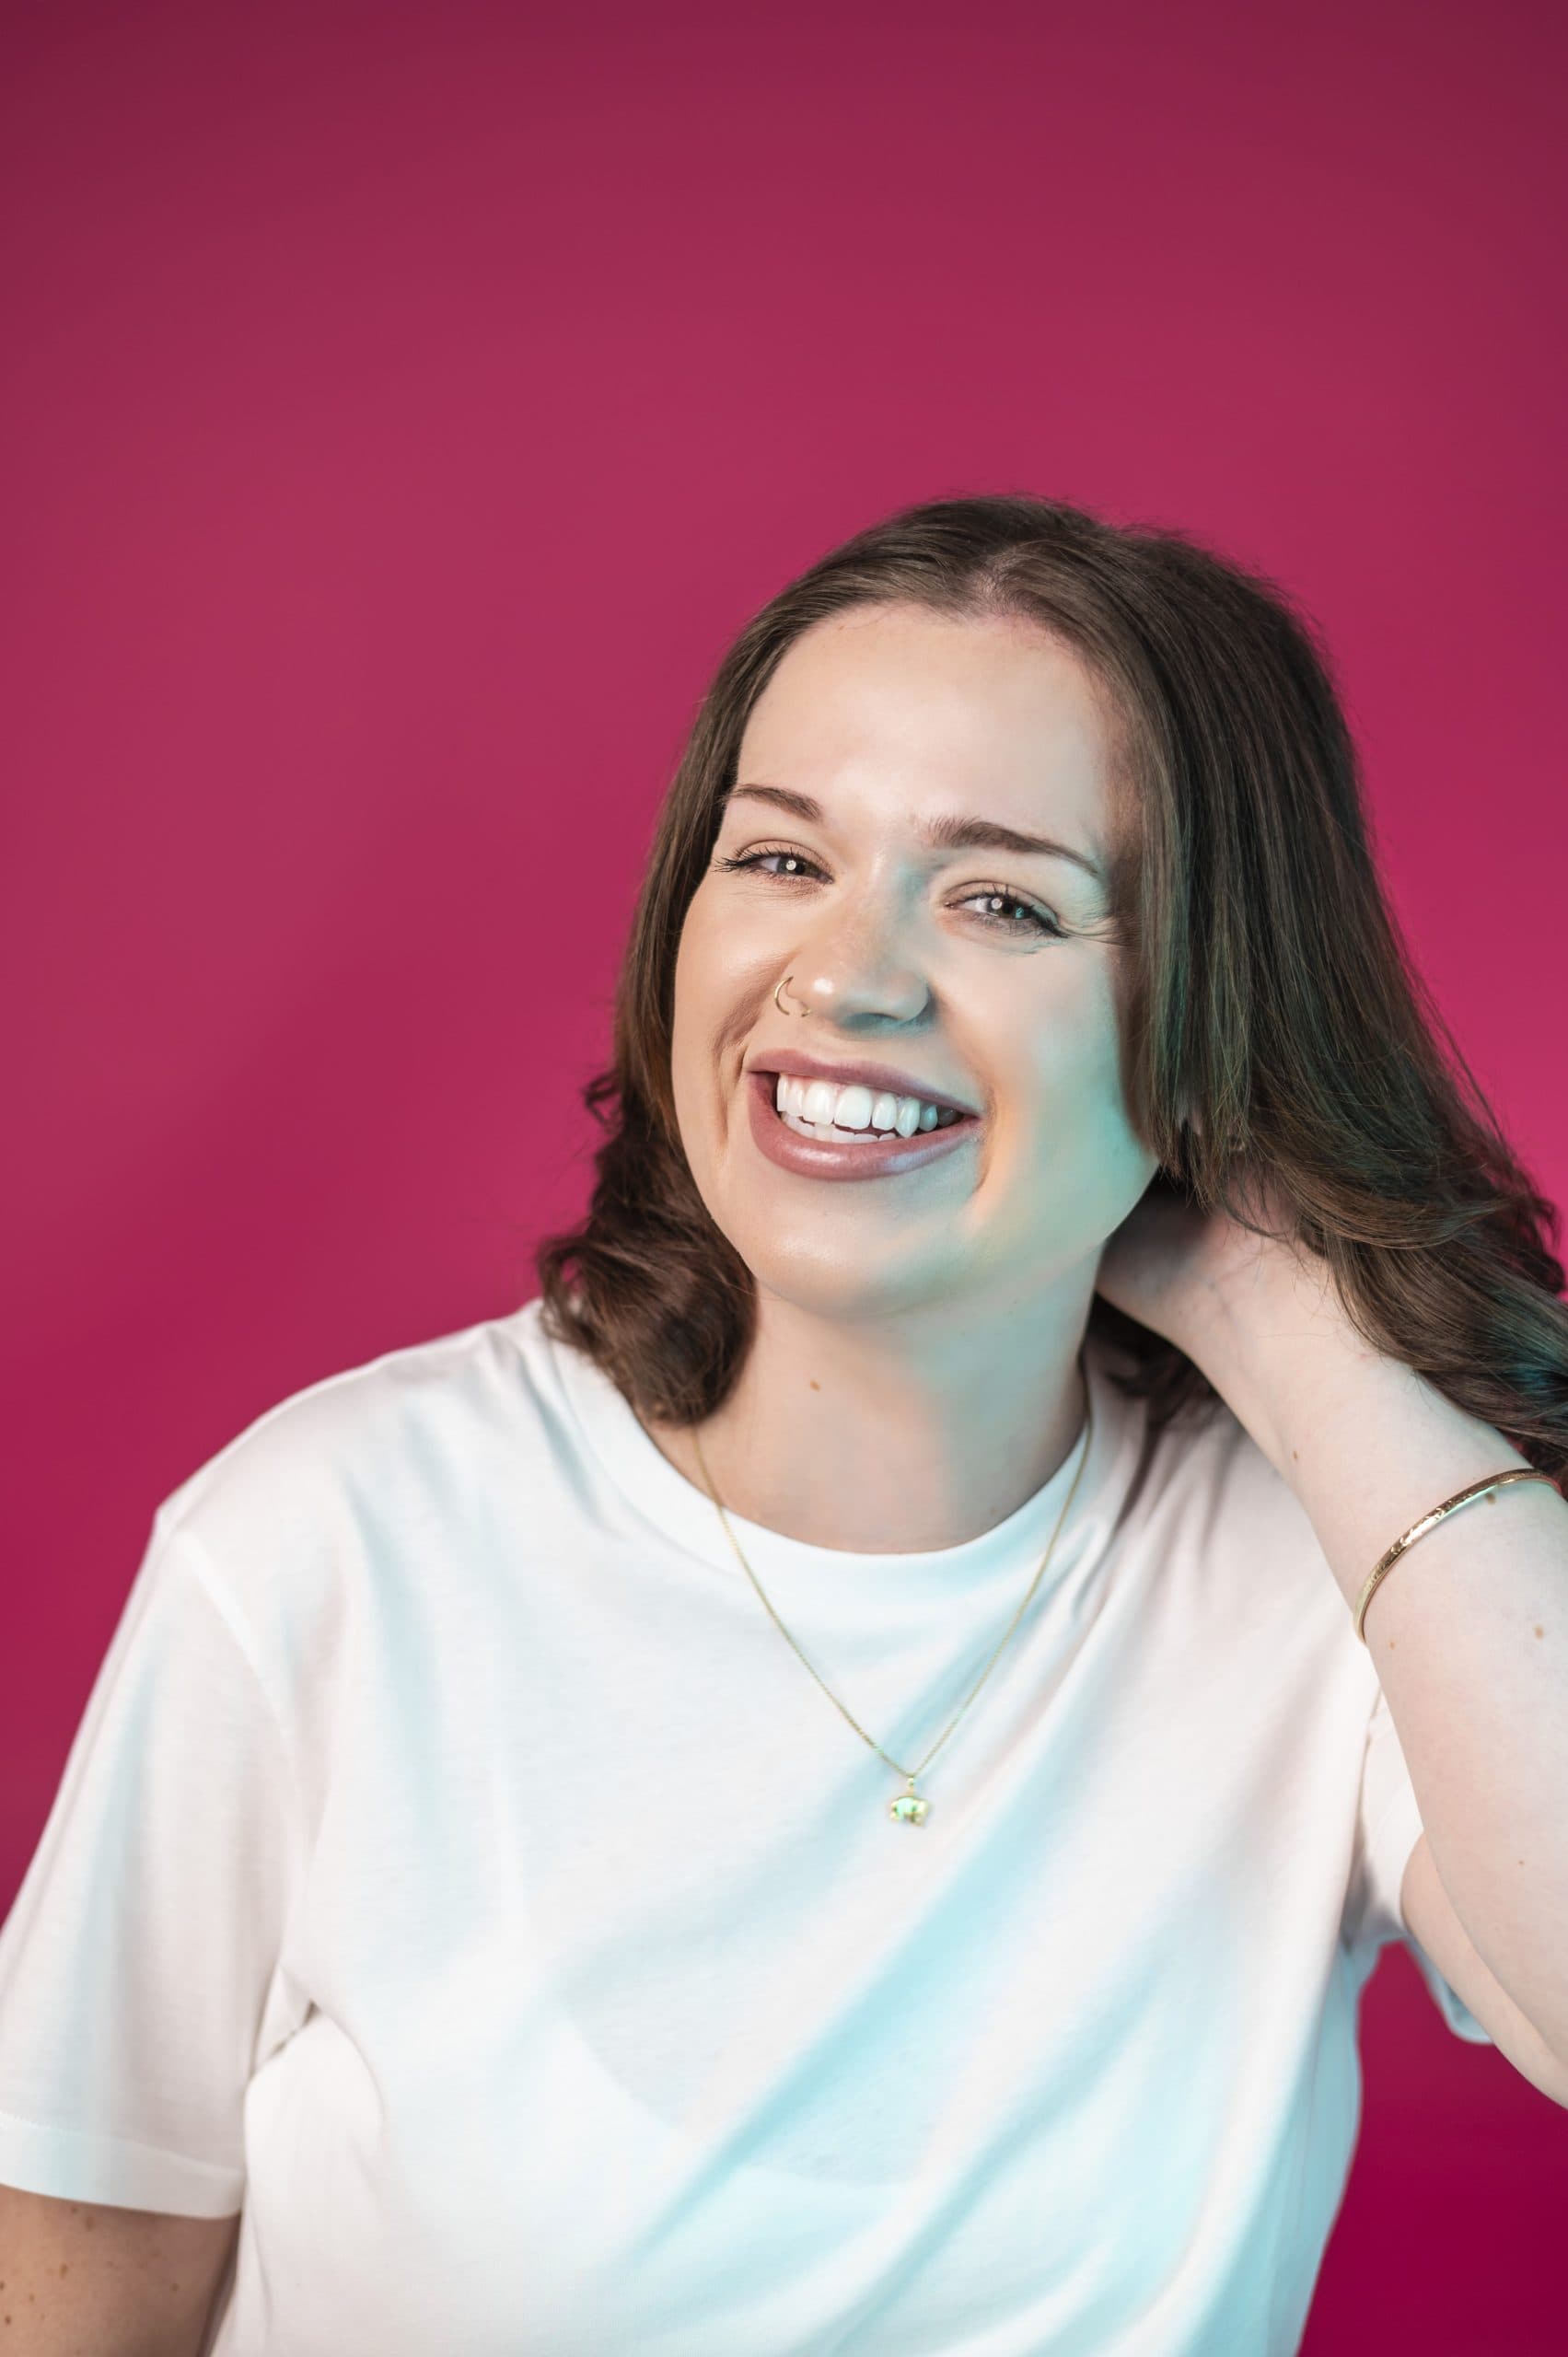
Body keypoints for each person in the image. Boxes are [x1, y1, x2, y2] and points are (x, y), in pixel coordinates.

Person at [2, 493, 1565, 2356]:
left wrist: (1276, 1313)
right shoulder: (325, 1544)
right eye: (781, 859)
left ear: (1206, 1005)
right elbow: (79, 2288)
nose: (849, 977)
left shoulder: (1332, 1569)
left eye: (1001, 897)